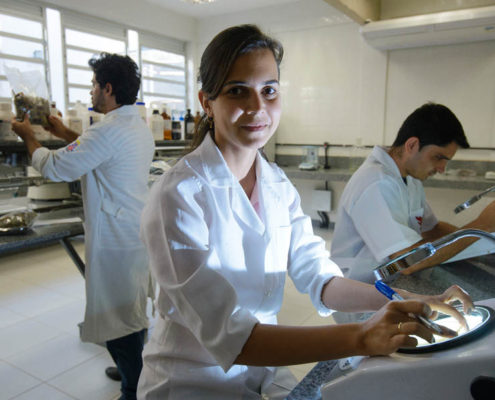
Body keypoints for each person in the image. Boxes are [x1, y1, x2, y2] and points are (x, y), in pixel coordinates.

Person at [137, 25, 472, 400]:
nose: (258, 107)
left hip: (262, 370)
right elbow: (232, 337)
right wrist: (361, 336)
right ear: (206, 102)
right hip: (191, 383)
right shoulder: (178, 195)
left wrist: (397, 296)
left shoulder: (276, 183)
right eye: (237, 91)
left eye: (269, 90)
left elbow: (319, 277)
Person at [11, 53, 155, 400]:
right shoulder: (133, 125)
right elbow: (98, 150)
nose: (91, 91)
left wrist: (29, 137)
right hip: (132, 230)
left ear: (108, 88)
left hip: (115, 239)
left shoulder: (107, 131)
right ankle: (130, 369)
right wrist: (63, 132)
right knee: (130, 310)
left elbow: (56, 167)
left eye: (93, 85)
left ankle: (133, 388)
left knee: (119, 318)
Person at [331, 102, 495, 284]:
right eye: (438, 157)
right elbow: (406, 262)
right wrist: (482, 225)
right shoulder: (376, 184)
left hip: (393, 283)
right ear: (412, 145)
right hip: (361, 290)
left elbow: (432, 229)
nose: (442, 168)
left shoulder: (410, 178)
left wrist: (484, 244)